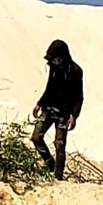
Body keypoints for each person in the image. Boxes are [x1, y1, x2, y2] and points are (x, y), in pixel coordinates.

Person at [31, 39, 84, 179]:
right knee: (36, 137)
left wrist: (74, 116)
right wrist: (40, 103)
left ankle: (58, 176)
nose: (54, 61)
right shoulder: (54, 68)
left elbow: (79, 96)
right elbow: (50, 87)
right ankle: (50, 164)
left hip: (64, 114)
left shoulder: (76, 71)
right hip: (48, 109)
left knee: (59, 145)